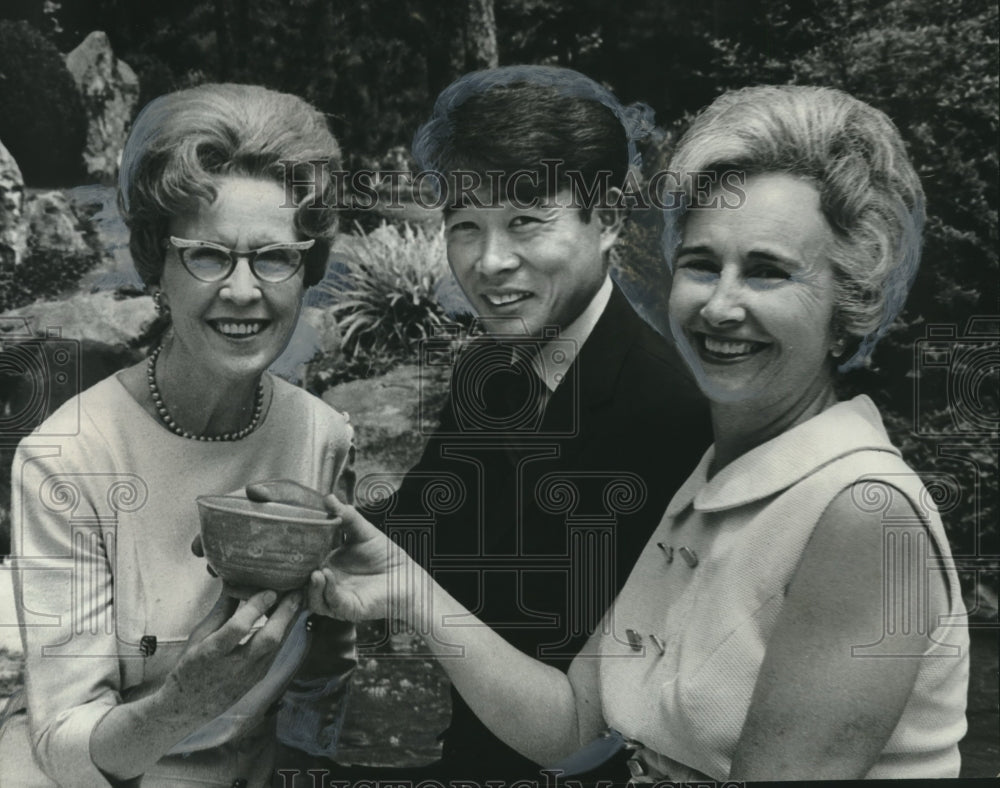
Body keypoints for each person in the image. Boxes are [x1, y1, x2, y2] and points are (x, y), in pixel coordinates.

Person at [277, 84, 970, 781]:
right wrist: (376, 564)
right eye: (701, 265)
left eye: (767, 272)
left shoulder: (863, 514)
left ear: (851, 302)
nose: (721, 305)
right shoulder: (718, 481)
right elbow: (579, 722)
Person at [278, 65, 711, 782]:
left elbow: (608, 713)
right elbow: (422, 527)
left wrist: (408, 594)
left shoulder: (669, 415)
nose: (489, 262)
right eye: (465, 226)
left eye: (525, 222)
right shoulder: (501, 373)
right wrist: (300, 528)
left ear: (604, 219)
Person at [0, 84, 356, 787]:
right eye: (207, 256)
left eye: (274, 257)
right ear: (156, 262)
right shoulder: (66, 458)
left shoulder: (321, 434)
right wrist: (184, 701)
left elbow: (324, 653)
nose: (244, 290)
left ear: (306, 267)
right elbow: (66, 747)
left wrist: (310, 756)